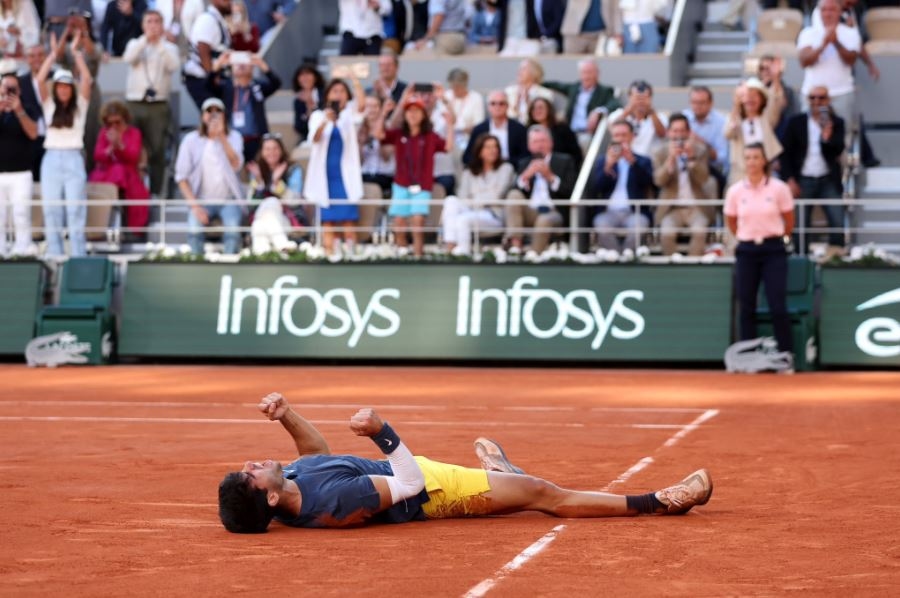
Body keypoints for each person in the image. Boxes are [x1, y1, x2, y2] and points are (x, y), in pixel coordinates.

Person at [217, 392, 714, 533]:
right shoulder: (336, 501)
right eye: (250, 474)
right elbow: (410, 483)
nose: (251, 462)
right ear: (271, 498)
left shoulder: (295, 481)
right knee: (543, 494)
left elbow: (316, 456)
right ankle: (658, 502)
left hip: (422, 475)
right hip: (435, 493)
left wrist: (287, 415)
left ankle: (501, 476)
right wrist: (383, 432)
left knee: (523, 488)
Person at [724, 142, 795, 365]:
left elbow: (789, 220)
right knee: (746, 305)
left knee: (777, 304)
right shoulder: (735, 191)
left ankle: (786, 355)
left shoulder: (779, 188)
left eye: (756, 157)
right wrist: (745, 235)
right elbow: (731, 221)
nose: (752, 162)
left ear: (764, 160)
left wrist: (778, 236)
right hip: (746, 250)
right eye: (748, 158)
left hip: (774, 250)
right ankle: (748, 356)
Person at [377, 89, 454, 257]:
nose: (412, 114)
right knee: (399, 221)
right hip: (401, 184)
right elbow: (379, 134)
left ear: (423, 115)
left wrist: (450, 125)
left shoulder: (430, 136)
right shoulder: (399, 134)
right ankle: (402, 254)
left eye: (417, 111)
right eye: (409, 111)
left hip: (422, 185)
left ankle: (418, 257)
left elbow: (448, 147)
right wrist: (383, 113)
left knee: (418, 222)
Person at [36, 31, 93, 258]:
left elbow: (87, 80)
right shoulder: (50, 106)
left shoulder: (80, 107)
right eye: (59, 85)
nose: (63, 89)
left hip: (73, 158)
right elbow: (40, 80)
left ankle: (78, 256)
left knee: (75, 209)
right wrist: (53, 54)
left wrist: (75, 53)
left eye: (67, 85)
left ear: (71, 88)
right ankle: (55, 255)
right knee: (51, 209)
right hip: (51, 158)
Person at [174, 97, 245, 255]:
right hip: (200, 200)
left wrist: (222, 137)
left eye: (218, 111)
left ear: (224, 115)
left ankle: (229, 265)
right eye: (209, 111)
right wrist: (195, 206)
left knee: (233, 232)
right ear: (202, 116)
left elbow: (236, 165)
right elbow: (181, 178)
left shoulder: (235, 137)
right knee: (194, 230)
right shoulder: (190, 140)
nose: (213, 115)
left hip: (228, 200)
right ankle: (198, 265)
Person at [122, 9, 180, 199]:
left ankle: (155, 192)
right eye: (149, 22)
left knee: (157, 149)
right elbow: (128, 58)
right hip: (135, 102)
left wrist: (159, 44)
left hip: (158, 104)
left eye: (157, 22)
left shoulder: (169, 47)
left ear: (162, 25)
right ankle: (130, 190)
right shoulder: (135, 43)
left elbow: (173, 65)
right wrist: (145, 41)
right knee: (130, 148)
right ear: (143, 25)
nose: (153, 25)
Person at [304, 76, 366, 256]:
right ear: (327, 95)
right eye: (335, 91)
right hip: (325, 177)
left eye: (342, 91)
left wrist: (355, 80)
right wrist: (326, 121)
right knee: (328, 222)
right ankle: (330, 256)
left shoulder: (349, 115)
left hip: (345, 177)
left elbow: (362, 106)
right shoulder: (317, 116)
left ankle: (351, 257)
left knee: (348, 220)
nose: (338, 95)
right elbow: (314, 139)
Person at [780, 86, 846, 253]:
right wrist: (789, 180)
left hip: (828, 179)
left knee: (837, 220)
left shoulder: (836, 123)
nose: (817, 101)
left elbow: (838, 150)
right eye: (812, 97)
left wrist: (826, 138)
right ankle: (801, 257)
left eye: (821, 98)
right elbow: (785, 153)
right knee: (801, 224)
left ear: (828, 100)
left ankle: (836, 257)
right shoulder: (796, 122)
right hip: (803, 179)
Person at [505, 124, 576, 254]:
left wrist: (550, 177)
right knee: (514, 194)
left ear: (551, 143)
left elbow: (571, 192)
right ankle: (516, 247)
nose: (539, 145)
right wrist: (525, 177)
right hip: (531, 211)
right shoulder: (524, 163)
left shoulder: (564, 161)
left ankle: (534, 256)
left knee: (544, 220)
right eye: (535, 142)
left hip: (554, 211)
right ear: (529, 146)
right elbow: (514, 192)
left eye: (543, 141)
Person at [797, 0, 860, 142]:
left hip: (841, 93)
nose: (828, 13)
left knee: (842, 137)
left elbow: (851, 60)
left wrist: (836, 42)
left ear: (839, 12)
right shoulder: (808, 33)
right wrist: (823, 44)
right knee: (810, 136)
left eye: (832, 9)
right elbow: (804, 61)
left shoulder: (850, 33)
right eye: (824, 10)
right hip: (813, 95)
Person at [443, 133, 515, 256]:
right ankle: (450, 245)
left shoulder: (506, 168)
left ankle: (463, 255)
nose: (493, 150)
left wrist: (474, 198)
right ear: (479, 151)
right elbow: (462, 196)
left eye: (495, 147)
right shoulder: (469, 171)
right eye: (488, 147)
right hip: (472, 209)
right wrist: (481, 198)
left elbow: (497, 195)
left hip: (493, 215)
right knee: (451, 200)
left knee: (463, 220)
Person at [652, 113, 714, 256]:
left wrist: (692, 158)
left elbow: (704, 179)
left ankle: (692, 265)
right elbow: (658, 181)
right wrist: (671, 160)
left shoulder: (700, 150)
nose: (678, 135)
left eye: (682, 131)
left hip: (696, 207)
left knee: (700, 232)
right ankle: (672, 265)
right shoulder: (660, 152)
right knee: (666, 233)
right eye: (675, 131)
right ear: (669, 132)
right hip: (671, 208)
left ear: (688, 132)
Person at [88, 100, 151, 239]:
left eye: (117, 122)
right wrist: (110, 148)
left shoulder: (134, 133)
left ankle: (132, 230)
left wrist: (120, 145)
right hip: (106, 173)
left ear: (125, 119)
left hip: (129, 174)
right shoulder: (103, 133)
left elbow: (134, 156)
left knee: (123, 176)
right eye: (110, 123)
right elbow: (97, 155)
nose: (114, 126)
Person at [591, 118, 654, 253]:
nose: (620, 139)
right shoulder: (603, 161)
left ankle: (626, 257)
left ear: (632, 137)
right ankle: (616, 257)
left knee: (639, 227)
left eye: (624, 135)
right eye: (616, 135)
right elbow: (597, 187)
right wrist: (608, 166)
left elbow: (647, 183)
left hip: (634, 212)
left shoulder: (643, 160)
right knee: (601, 226)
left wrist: (632, 161)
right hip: (608, 212)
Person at [209, 51, 281, 165]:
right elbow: (208, 84)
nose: (241, 65)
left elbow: (276, 83)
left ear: (252, 67)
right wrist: (219, 63)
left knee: (256, 171)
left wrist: (261, 64)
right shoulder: (226, 87)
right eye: (237, 63)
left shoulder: (257, 86)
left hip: (255, 140)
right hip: (231, 140)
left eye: (245, 63)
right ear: (231, 67)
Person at [0, 68, 38, 257]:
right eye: (5, 87)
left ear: (19, 90)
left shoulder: (28, 108)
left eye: (13, 88)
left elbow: (33, 133)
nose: (8, 92)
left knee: (21, 214)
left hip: (21, 173)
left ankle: (22, 251)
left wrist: (19, 110)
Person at [247, 133, 305, 253]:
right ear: (262, 152)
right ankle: (282, 245)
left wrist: (277, 183)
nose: (271, 152)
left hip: (288, 220)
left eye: (275, 148)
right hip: (266, 221)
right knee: (260, 221)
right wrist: (259, 181)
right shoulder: (257, 171)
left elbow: (295, 201)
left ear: (281, 150)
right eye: (267, 149)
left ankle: (261, 254)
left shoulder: (293, 169)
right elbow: (250, 204)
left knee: (269, 207)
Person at [543, 59, 621, 146]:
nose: (586, 76)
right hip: (569, 132)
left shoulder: (604, 91)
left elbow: (615, 104)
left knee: (584, 141)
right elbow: (556, 85)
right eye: (584, 72)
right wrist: (537, 82)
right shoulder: (574, 88)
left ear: (597, 74)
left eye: (590, 72)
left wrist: (598, 111)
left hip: (587, 134)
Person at [724, 78, 782, 187]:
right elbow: (728, 133)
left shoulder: (766, 118)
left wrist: (775, 78)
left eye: (755, 95)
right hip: (740, 172)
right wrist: (736, 106)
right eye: (747, 96)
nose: (750, 99)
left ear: (762, 99)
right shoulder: (735, 118)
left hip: (766, 170)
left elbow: (776, 100)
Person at [182, 0, 231, 110]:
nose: (229, 2)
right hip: (201, 79)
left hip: (209, 78)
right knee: (212, 115)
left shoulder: (218, 19)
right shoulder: (207, 19)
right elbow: (203, 49)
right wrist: (212, 76)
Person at [683, 85, 728, 197]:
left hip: (710, 168)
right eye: (694, 102)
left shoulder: (721, 122)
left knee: (714, 181)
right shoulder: (683, 118)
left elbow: (721, 158)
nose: (697, 106)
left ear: (711, 103)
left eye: (702, 102)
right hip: (684, 165)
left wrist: (700, 143)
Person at [463, 90, 529, 167]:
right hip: (484, 170)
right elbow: (467, 157)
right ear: (488, 107)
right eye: (493, 103)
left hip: (512, 169)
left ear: (507, 106)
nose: (497, 107)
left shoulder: (519, 129)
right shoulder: (479, 129)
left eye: (501, 103)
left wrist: (504, 163)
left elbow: (525, 156)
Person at [17, 43, 47, 181]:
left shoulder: (57, 78)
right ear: (26, 59)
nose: (37, 59)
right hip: (29, 141)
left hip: (54, 139)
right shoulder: (20, 82)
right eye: (32, 56)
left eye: (40, 55)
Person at [615, 79, 667, 158]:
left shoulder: (660, 117)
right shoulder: (619, 114)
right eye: (637, 97)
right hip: (624, 159)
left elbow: (662, 134)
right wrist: (628, 110)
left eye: (644, 97)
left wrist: (652, 112)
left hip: (650, 160)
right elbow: (613, 130)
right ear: (629, 97)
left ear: (650, 98)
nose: (640, 101)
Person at [526, 97, 582, 165]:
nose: (537, 111)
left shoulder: (563, 129)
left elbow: (575, 154)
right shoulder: (527, 131)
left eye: (540, 108)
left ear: (549, 110)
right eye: (533, 108)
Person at [756, 55, 796, 143]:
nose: (765, 71)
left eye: (769, 68)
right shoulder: (754, 89)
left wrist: (775, 79)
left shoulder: (787, 91)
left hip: (780, 138)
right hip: (759, 138)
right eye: (762, 68)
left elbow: (783, 105)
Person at [442, 68, 484, 151]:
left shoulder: (476, 98)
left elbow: (479, 126)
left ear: (465, 85)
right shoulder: (446, 95)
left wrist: (461, 130)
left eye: (458, 86)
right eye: (452, 86)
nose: (455, 89)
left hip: (467, 141)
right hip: (446, 139)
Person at [504, 57, 554, 124]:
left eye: (523, 69)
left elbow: (544, 118)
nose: (519, 72)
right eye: (519, 69)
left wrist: (528, 104)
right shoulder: (509, 91)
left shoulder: (545, 94)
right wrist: (516, 105)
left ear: (534, 72)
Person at [291, 63, 325, 146]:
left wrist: (313, 105)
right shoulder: (298, 101)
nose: (305, 78)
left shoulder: (325, 94)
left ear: (315, 77)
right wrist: (308, 110)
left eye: (308, 74)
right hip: (308, 137)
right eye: (302, 75)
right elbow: (299, 127)